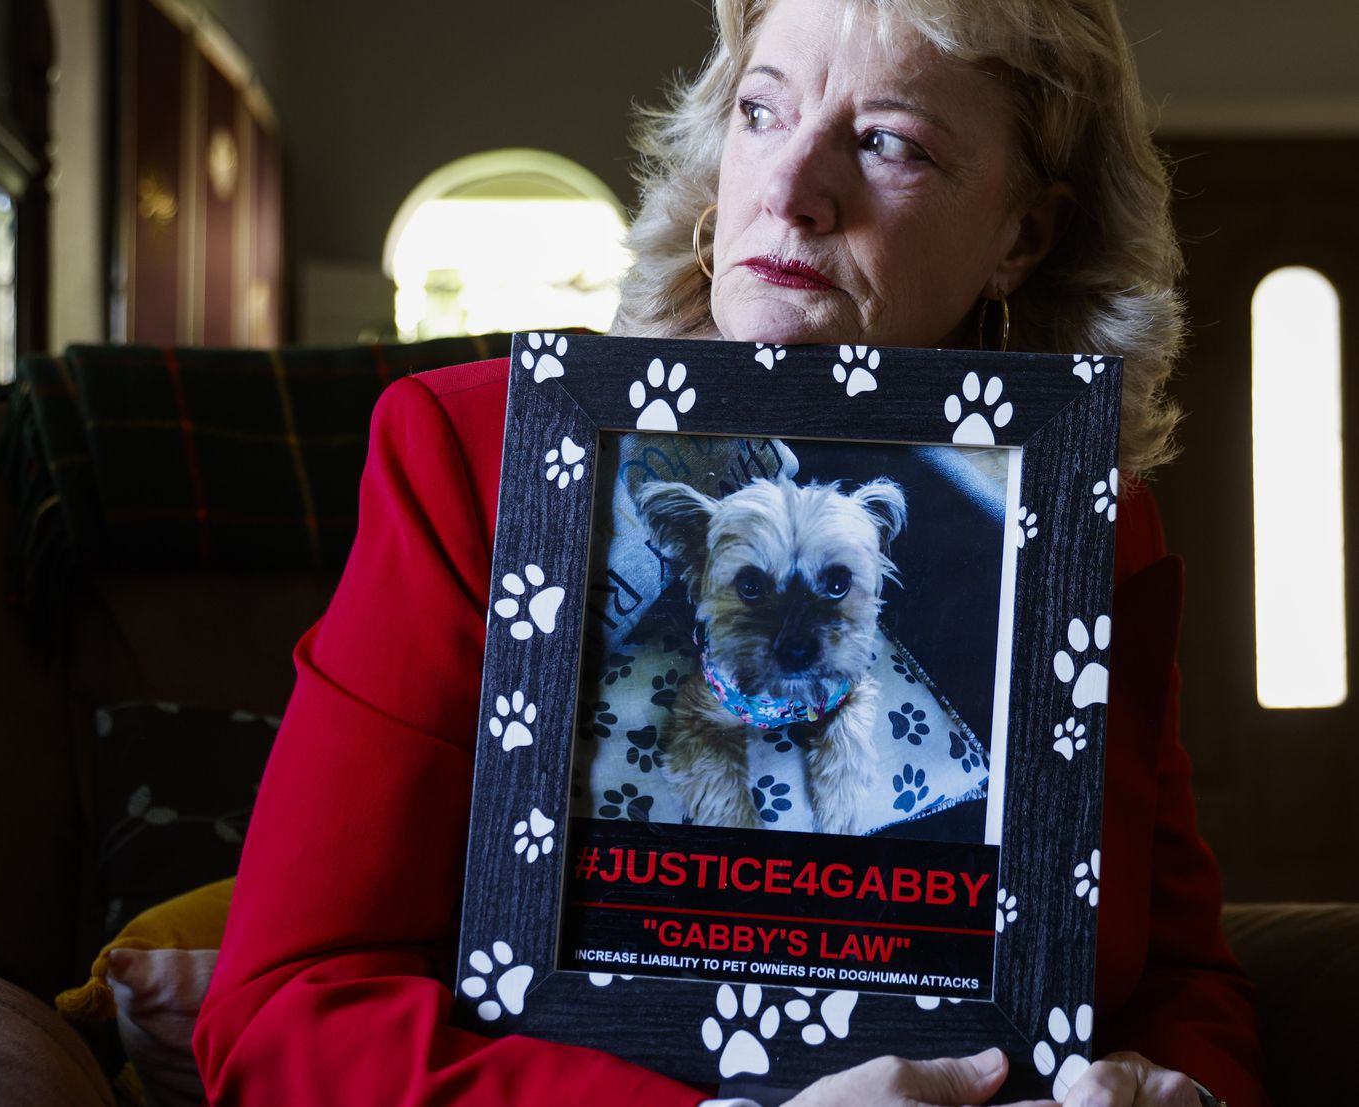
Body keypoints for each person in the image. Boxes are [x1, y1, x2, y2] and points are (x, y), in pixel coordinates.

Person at [194, 1, 1267, 1104]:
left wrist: (1171, 1091)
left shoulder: (1085, 520)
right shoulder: (472, 454)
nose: (787, 188)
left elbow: (1174, 981)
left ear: (1023, 237)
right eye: (761, 112)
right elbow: (283, 1013)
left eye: (887, 140)